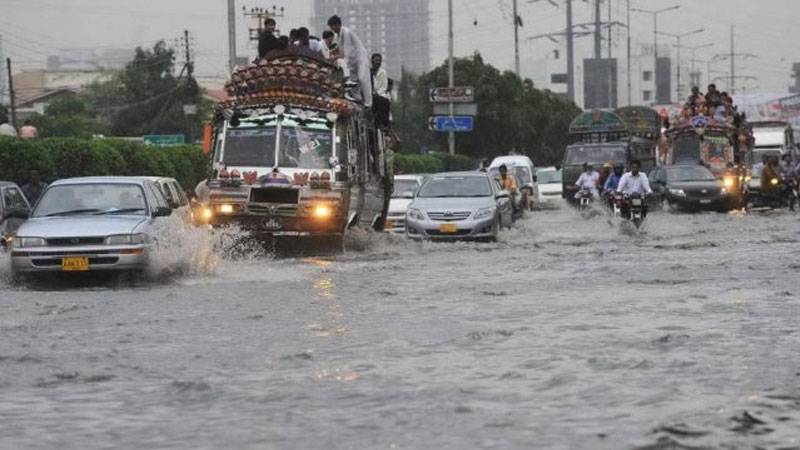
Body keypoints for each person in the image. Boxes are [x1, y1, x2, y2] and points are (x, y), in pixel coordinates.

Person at [328, 15, 372, 107]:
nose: (333, 30)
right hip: (352, 60)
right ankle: (358, 98)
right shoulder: (338, 36)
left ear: (337, 25)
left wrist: (344, 63)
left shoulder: (347, 32)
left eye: (333, 27)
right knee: (353, 81)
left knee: (362, 78)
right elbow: (339, 49)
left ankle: (369, 102)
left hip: (360, 58)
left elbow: (347, 49)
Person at [371, 53, 391, 128]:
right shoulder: (369, 72)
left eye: (379, 60)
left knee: (383, 102)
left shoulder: (383, 73)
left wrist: (377, 93)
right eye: (376, 60)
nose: (378, 62)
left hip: (380, 95)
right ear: (372, 61)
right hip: (370, 95)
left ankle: (381, 123)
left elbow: (384, 87)